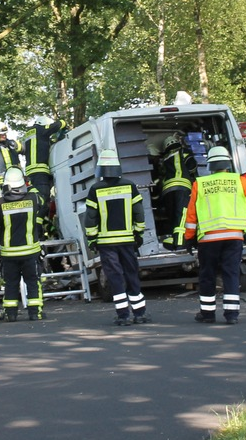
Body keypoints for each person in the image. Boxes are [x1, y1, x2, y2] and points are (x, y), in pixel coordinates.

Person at [183, 146, 246, 325]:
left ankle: (207, 314)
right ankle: (231, 315)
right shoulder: (240, 181)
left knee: (207, 275)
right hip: (234, 237)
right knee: (231, 274)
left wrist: (189, 237)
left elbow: (191, 215)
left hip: (209, 239)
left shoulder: (200, 184)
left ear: (210, 165)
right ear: (227, 163)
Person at [83, 150, 149, 326]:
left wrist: (92, 238)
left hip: (106, 243)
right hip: (127, 241)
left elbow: (90, 217)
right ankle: (140, 313)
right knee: (131, 274)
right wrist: (138, 233)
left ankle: (123, 316)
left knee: (115, 278)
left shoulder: (95, 189)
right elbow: (139, 212)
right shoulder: (130, 186)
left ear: (101, 169)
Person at [0, 167, 48, 321]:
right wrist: (30, 184)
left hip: (9, 254)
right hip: (30, 252)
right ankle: (35, 313)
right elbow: (43, 200)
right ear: (23, 183)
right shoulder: (33, 199)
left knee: (10, 284)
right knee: (33, 283)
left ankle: (11, 314)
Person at [156, 133, 197, 250]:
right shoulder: (183, 152)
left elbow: (159, 176)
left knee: (172, 216)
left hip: (167, 190)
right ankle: (180, 244)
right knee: (181, 216)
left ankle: (173, 239)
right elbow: (192, 167)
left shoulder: (163, 159)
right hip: (182, 187)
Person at [21, 116, 68, 203]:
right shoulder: (41, 129)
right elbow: (56, 125)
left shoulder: (30, 134)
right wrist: (64, 123)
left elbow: (43, 146)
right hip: (39, 171)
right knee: (43, 196)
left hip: (29, 172)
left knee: (35, 196)